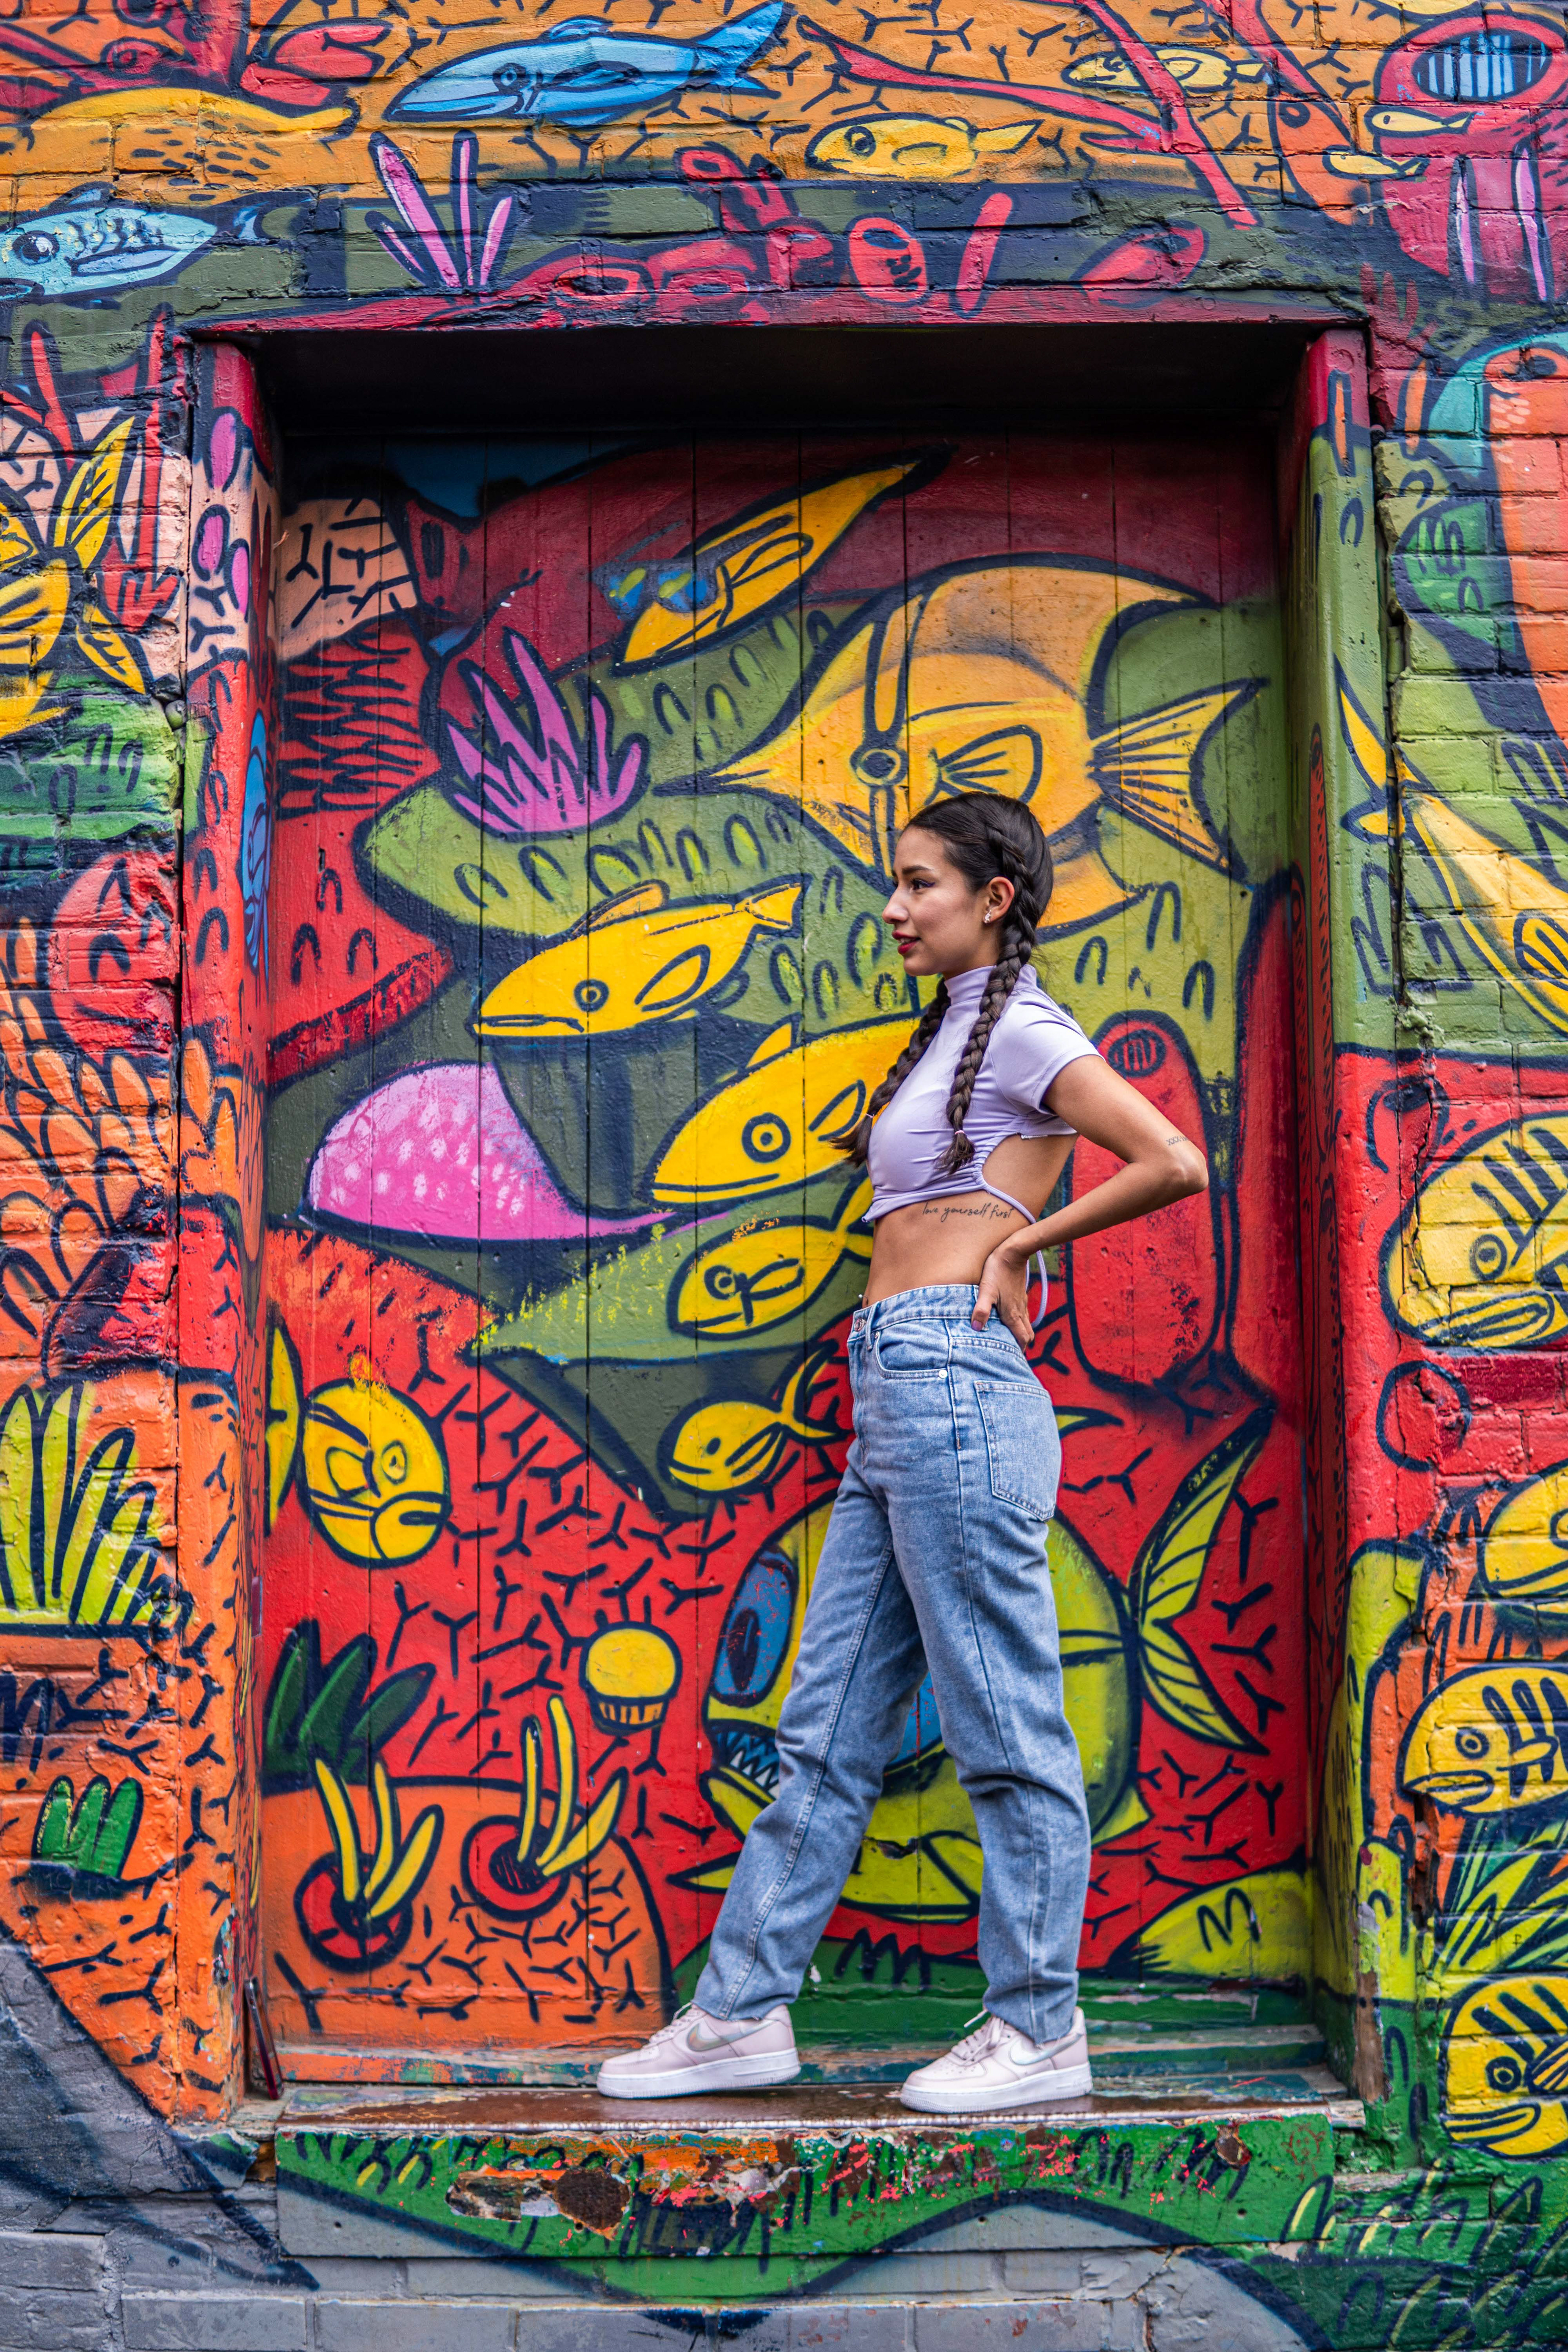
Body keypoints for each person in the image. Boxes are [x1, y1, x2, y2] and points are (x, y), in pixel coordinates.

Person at [597, 790, 1209, 2114]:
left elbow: (1171, 1159)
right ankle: (741, 2016)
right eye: (896, 883)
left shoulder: (1029, 1028)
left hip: (953, 1385)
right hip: (895, 1394)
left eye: (921, 883)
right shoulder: (956, 1034)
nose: (894, 905)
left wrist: (1019, 1247)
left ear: (993, 898)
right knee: (818, 1735)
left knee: (1006, 1726)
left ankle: (1040, 2029)